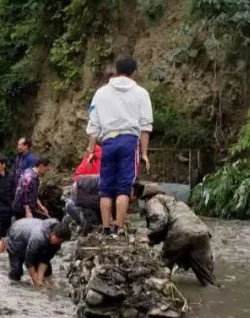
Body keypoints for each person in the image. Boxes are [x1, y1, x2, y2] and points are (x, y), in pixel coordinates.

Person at [85, 55, 153, 236]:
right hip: (129, 141)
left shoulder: (101, 93)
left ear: (116, 70)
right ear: (134, 71)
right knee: (124, 186)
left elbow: (93, 125)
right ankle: (119, 227)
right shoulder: (141, 93)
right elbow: (145, 126)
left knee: (105, 187)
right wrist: (144, 152)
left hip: (108, 142)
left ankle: (106, 227)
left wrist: (91, 150)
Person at [143, 192, 215, 285]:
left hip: (180, 233)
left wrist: (150, 237)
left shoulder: (154, 200)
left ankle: (163, 285)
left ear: (148, 197)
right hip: (202, 232)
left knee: (164, 264)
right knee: (207, 277)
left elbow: (159, 218)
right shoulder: (178, 203)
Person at [6, 218, 71, 287]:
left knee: (47, 272)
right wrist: (36, 281)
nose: (60, 243)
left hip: (31, 231)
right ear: (53, 235)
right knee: (16, 270)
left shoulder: (56, 241)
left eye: (62, 242)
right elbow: (29, 261)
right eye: (60, 241)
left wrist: (40, 280)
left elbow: (45, 260)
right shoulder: (38, 238)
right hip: (17, 235)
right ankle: (14, 287)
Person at [66, 176, 141, 235]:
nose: (129, 202)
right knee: (92, 220)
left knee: (99, 219)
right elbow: (114, 205)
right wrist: (116, 221)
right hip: (83, 189)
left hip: (85, 187)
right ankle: (83, 235)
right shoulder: (121, 188)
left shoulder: (121, 183)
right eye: (131, 200)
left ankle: (83, 229)